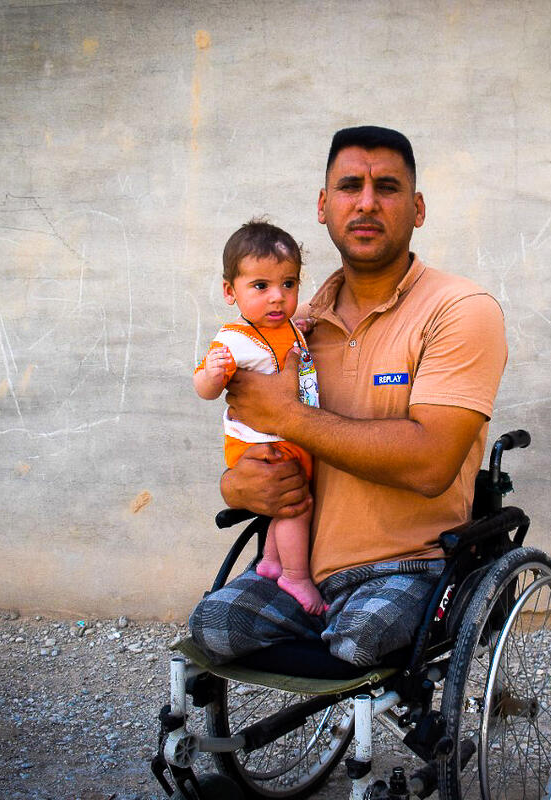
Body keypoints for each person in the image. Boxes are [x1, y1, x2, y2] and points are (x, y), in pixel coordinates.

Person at [188, 126, 507, 667]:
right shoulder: (294, 326)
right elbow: (252, 433)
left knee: (359, 639)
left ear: (418, 208)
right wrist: (237, 485)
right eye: (348, 186)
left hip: (416, 565)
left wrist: (287, 415)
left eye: (386, 187)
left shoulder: (460, 309)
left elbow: (432, 465)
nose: (365, 202)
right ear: (322, 205)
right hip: (307, 567)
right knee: (213, 627)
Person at [192, 219, 326, 615]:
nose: (277, 298)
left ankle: (270, 562)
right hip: (261, 443)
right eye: (261, 286)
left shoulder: (288, 326)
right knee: (294, 505)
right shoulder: (233, 339)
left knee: (287, 503)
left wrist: (304, 326)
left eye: (288, 284)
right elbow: (204, 386)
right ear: (229, 292)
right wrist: (212, 376)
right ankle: (296, 577)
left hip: (291, 433)